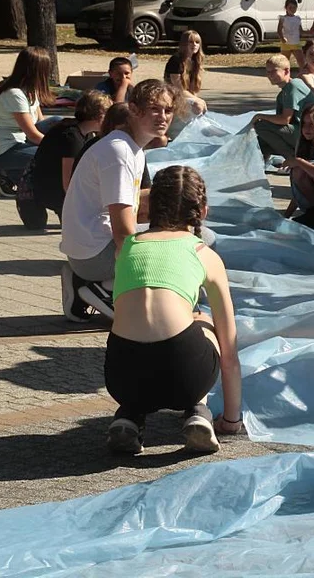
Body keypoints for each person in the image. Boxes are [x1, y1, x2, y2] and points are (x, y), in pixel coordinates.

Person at [104, 165, 243, 455]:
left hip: (122, 376)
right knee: (201, 318)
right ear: (202, 211)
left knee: (134, 328)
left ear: (149, 207)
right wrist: (231, 419)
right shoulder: (204, 255)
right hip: (184, 377)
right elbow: (229, 352)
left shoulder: (126, 248)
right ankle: (198, 412)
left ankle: (129, 417)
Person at [60, 80, 175, 321]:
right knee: (195, 240)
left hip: (88, 249)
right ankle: (104, 289)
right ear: (133, 109)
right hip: (94, 255)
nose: (162, 116)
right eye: (154, 108)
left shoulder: (132, 148)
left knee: (180, 219)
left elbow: (138, 205)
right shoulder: (119, 151)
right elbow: (123, 232)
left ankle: (92, 281)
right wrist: (137, 290)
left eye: (168, 110)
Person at [30, 90, 111, 217]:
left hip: (54, 185)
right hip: (48, 189)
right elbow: (67, 180)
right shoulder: (71, 137)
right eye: (108, 116)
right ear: (100, 116)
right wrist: (79, 206)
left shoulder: (85, 133)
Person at [0, 47, 60, 193]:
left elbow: (40, 123)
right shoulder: (14, 94)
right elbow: (33, 135)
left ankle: (12, 173)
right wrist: (60, 147)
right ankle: (4, 171)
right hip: (2, 148)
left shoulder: (31, 90)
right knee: (49, 155)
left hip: (20, 140)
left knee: (58, 121)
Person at [253, 54, 314, 161]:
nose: (270, 75)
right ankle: (260, 162)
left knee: (261, 125)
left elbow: (284, 120)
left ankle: (293, 158)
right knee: (261, 140)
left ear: (286, 71)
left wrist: (260, 116)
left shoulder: (293, 87)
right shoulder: (283, 93)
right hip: (299, 132)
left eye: (274, 71)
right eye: (268, 72)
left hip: (309, 133)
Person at [165, 30, 205, 95]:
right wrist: (196, 100)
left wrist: (195, 98)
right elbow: (178, 88)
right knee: (198, 104)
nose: (194, 44)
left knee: (200, 103)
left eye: (197, 42)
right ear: (184, 44)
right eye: (191, 42)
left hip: (186, 95)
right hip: (174, 95)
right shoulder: (175, 60)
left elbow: (193, 90)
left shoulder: (195, 61)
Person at [277, 0, 305, 69]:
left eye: (294, 7)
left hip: (296, 44)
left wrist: (310, 33)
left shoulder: (298, 18)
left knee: (301, 61)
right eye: (290, 7)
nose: (292, 9)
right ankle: (285, 76)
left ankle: (303, 74)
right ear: (285, 8)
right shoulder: (283, 18)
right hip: (286, 44)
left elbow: (301, 31)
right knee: (285, 63)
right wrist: (282, 38)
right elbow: (279, 30)